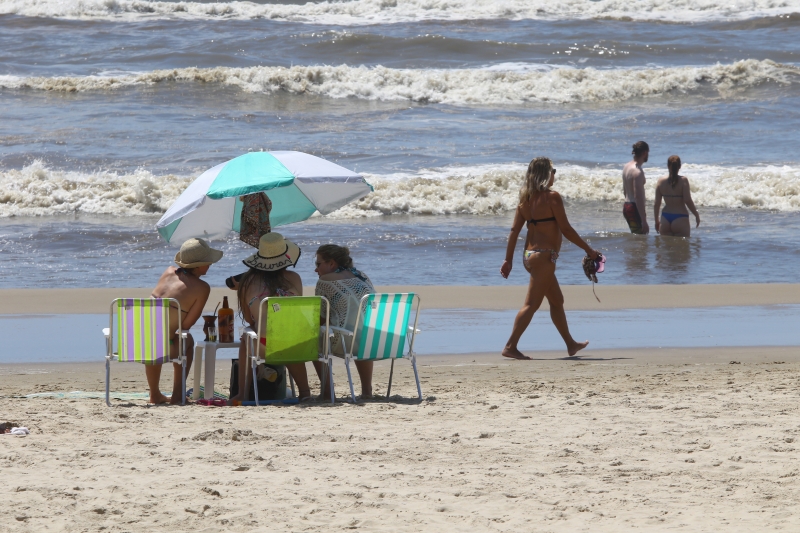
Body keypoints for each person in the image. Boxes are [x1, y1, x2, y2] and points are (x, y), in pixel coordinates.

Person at [500, 157, 600, 360]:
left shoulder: (524, 200)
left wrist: (508, 260)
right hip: (544, 258)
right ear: (546, 174)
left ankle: (571, 344)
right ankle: (510, 346)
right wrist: (589, 250)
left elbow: (513, 232)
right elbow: (566, 229)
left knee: (557, 300)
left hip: (529, 257)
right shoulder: (552, 197)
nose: (554, 175)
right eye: (553, 171)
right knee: (531, 304)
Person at [229, 232, 310, 402]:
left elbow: (249, 320)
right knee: (287, 339)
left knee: (247, 337)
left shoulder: (248, 282)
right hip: (300, 344)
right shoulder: (295, 278)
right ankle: (304, 393)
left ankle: (242, 393)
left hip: (266, 346)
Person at [150, 238, 223, 404]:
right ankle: (177, 394)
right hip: (162, 347)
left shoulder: (168, 271)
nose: (210, 264)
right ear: (197, 266)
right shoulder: (202, 288)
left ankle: (154, 394)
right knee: (187, 340)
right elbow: (186, 326)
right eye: (207, 261)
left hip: (136, 344)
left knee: (154, 337)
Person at [313, 244, 376, 399]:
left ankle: (328, 392)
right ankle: (367, 391)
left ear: (332, 264)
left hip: (345, 341)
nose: (316, 269)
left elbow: (321, 318)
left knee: (312, 338)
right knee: (360, 330)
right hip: (375, 340)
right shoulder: (362, 276)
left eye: (318, 264)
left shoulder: (326, 281)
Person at [654, 155, 701, 237]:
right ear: (680, 166)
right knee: (683, 248)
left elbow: (656, 203)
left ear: (668, 166)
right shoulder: (683, 180)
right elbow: (687, 200)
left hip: (665, 218)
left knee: (666, 248)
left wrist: (656, 221)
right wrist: (696, 214)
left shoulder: (661, 181)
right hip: (680, 217)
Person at [622, 140, 650, 235]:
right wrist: (644, 220)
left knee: (636, 237)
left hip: (626, 206)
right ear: (645, 153)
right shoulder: (637, 172)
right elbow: (637, 196)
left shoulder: (626, 166)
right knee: (641, 240)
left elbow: (625, 190)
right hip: (634, 208)